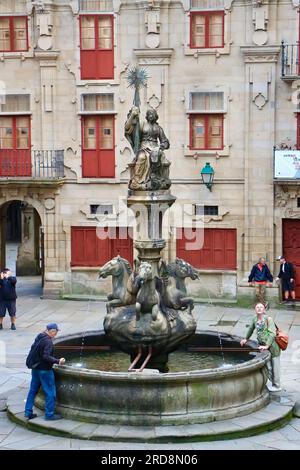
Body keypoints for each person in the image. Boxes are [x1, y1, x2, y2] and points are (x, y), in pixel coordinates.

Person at [24, 323, 65, 420]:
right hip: (45, 371)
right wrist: (58, 361)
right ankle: (49, 414)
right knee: (50, 392)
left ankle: (28, 411)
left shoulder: (39, 337)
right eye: (56, 332)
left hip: (35, 369)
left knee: (33, 390)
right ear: (52, 331)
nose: (56, 334)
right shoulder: (48, 342)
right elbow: (46, 356)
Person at [125, 106, 170, 190]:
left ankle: (154, 176)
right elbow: (132, 132)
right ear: (146, 116)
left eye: (152, 113)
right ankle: (137, 179)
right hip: (144, 147)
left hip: (155, 148)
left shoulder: (158, 128)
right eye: (149, 114)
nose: (150, 115)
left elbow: (165, 141)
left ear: (156, 116)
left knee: (159, 156)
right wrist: (133, 116)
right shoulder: (142, 124)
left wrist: (163, 146)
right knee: (141, 157)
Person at [240, 303, 281, 392]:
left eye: (261, 307)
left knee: (275, 366)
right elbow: (251, 329)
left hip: (273, 346)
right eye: (257, 307)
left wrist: (267, 345)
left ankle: (277, 386)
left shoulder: (268, 319)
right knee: (268, 366)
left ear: (264, 310)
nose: (259, 309)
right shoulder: (255, 318)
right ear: (255, 309)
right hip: (262, 346)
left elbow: (272, 333)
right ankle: (273, 382)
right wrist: (245, 339)